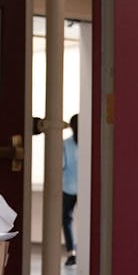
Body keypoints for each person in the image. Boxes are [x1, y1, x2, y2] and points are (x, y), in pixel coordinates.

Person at [62, 114, 79, 266]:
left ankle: (71, 253)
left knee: (67, 220)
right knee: (88, 221)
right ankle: (86, 251)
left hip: (68, 188)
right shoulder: (89, 143)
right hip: (85, 188)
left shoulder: (66, 144)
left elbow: (61, 164)